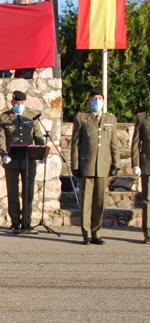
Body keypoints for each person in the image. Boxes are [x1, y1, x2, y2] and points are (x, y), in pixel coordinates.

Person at [71, 90, 120, 245]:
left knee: (99, 201)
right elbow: (75, 144)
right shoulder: (81, 118)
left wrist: (116, 163)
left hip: (103, 165)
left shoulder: (110, 119)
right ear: (88, 101)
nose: (96, 101)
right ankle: (85, 233)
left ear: (104, 102)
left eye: (99, 99)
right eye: (93, 99)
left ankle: (96, 232)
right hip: (87, 165)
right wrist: (75, 165)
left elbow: (114, 143)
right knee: (86, 201)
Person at [0, 90, 44, 231]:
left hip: (29, 160)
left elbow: (38, 135)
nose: (19, 105)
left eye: (22, 103)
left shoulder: (31, 116)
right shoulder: (4, 117)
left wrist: (41, 150)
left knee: (28, 191)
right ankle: (15, 222)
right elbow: (0, 139)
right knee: (13, 191)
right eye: (17, 103)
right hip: (12, 160)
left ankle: (26, 222)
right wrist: (4, 154)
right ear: (12, 102)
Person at [130, 109, 150, 244]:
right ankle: (148, 233)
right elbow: (136, 143)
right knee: (148, 200)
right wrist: (135, 164)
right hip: (148, 164)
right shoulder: (142, 117)